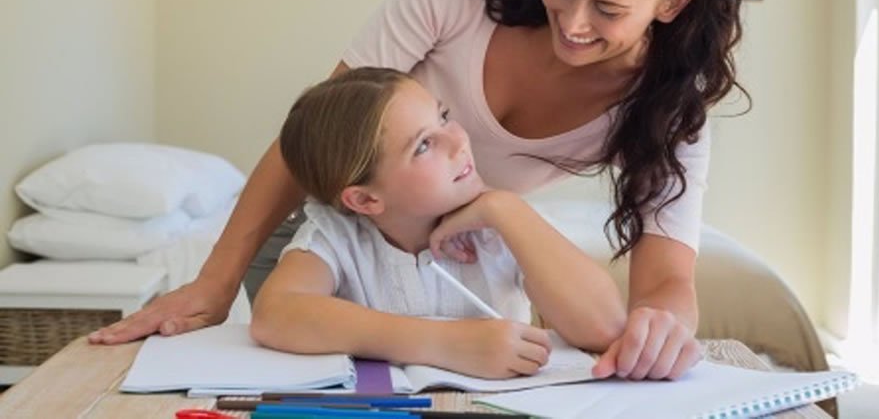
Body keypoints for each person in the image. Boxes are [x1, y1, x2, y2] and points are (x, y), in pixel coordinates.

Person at [91, 0, 745, 382]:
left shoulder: (667, 107)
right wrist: (215, 280)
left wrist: (657, 326)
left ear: (673, 3)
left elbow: (662, 283)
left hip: (467, 252)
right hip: (353, 244)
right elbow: (324, 127)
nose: (572, 22)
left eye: (606, 8)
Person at [251, 67, 624, 378]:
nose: (458, 142)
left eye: (444, 117)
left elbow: (605, 325)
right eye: (424, 145)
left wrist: (504, 208)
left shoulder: (499, 227)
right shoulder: (336, 234)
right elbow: (275, 314)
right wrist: (445, 343)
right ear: (365, 200)